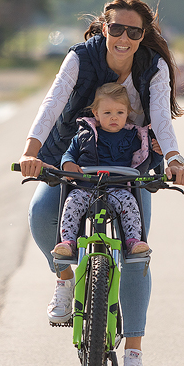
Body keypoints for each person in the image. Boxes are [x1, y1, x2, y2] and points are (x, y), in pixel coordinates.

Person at [18, 0, 184, 366]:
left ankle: (133, 356)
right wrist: (31, 151)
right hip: (74, 160)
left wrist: (174, 159)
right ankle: (65, 279)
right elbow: (53, 101)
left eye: (134, 32)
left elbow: (162, 122)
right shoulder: (81, 58)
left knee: (136, 254)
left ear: (143, 36)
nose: (124, 38)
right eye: (116, 29)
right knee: (42, 215)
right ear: (103, 28)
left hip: (130, 167)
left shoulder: (155, 68)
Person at [53, 83, 151, 258]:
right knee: (72, 202)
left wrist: (157, 153)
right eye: (107, 113)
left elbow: (145, 159)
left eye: (119, 112)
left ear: (127, 113)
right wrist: (67, 163)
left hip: (118, 188)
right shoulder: (85, 134)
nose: (114, 118)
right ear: (96, 114)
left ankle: (133, 241)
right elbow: (69, 153)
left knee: (130, 203)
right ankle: (68, 242)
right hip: (86, 187)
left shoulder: (134, 138)